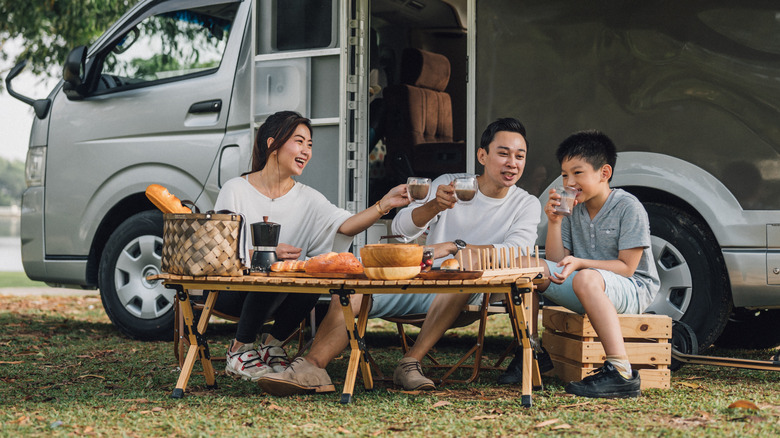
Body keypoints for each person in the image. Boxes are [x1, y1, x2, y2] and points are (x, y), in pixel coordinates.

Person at [258, 117, 541, 395]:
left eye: (519, 156)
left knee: (457, 279)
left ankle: (410, 362)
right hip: (419, 278)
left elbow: (517, 250)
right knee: (352, 290)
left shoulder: (525, 204)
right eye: (503, 153)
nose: (512, 163)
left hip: (468, 289)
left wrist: (456, 247)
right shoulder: (451, 184)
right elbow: (401, 228)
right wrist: (432, 207)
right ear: (482, 155)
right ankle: (311, 367)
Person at [214, 110, 409, 382]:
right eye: (299, 141)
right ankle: (239, 351)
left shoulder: (308, 198)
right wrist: (265, 254)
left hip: (278, 296)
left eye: (310, 145)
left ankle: (272, 345)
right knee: (271, 268)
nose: (306, 150)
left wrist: (383, 205)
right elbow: (218, 251)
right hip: (231, 291)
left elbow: (345, 225)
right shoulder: (235, 189)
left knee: (312, 273)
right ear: (273, 143)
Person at [531, 130, 660, 398]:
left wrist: (579, 264)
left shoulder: (628, 207)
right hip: (586, 286)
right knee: (531, 267)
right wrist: (554, 223)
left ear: (604, 173)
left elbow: (627, 268)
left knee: (585, 276)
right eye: (565, 174)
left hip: (633, 288)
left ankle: (621, 371)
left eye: (578, 173)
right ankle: (532, 353)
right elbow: (556, 265)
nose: (569, 182)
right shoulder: (573, 209)